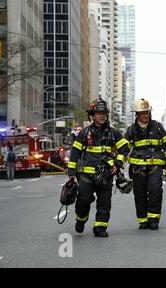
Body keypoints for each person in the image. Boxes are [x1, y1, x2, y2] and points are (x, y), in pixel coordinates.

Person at [67, 98, 131, 238]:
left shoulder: (113, 133)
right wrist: (71, 172)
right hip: (86, 177)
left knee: (104, 203)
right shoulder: (84, 133)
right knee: (83, 200)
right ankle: (81, 219)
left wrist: (117, 164)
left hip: (106, 175)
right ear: (92, 115)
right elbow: (75, 153)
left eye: (103, 113)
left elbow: (125, 149)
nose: (101, 115)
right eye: (98, 113)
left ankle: (100, 228)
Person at [125, 99, 166, 230]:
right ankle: (143, 220)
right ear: (137, 114)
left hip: (155, 166)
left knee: (155, 191)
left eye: (147, 112)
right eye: (142, 113)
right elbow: (124, 147)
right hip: (137, 168)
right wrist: (118, 162)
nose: (145, 115)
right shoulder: (131, 130)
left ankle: (153, 219)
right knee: (139, 193)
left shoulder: (158, 127)